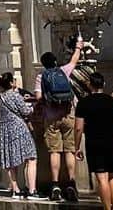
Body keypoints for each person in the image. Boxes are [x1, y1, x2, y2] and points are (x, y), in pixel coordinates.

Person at [35, 35, 85, 202]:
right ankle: (71, 183)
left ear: (43, 64)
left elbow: (38, 97)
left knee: (54, 151)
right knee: (70, 150)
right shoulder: (63, 71)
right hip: (68, 114)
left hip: (51, 118)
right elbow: (74, 60)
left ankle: (55, 184)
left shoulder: (41, 77)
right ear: (55, 62)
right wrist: (78, 47)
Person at [76, 72, 113, 210]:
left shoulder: (83, 103)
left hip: (94, 143)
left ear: (89, 85)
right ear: (103, 84)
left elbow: (78, 128)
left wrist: (77, 147)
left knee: (102, 179)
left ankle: (106, 208)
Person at [0, 72, 37, 199]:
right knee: (31, 157)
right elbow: (25, 111)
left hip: (6, 129)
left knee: (10, 160)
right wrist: (33, 107)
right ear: (10, 83)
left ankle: (15, 189)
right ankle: (32, 190)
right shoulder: (14, 95)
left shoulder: (0, 96)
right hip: (18, 127)